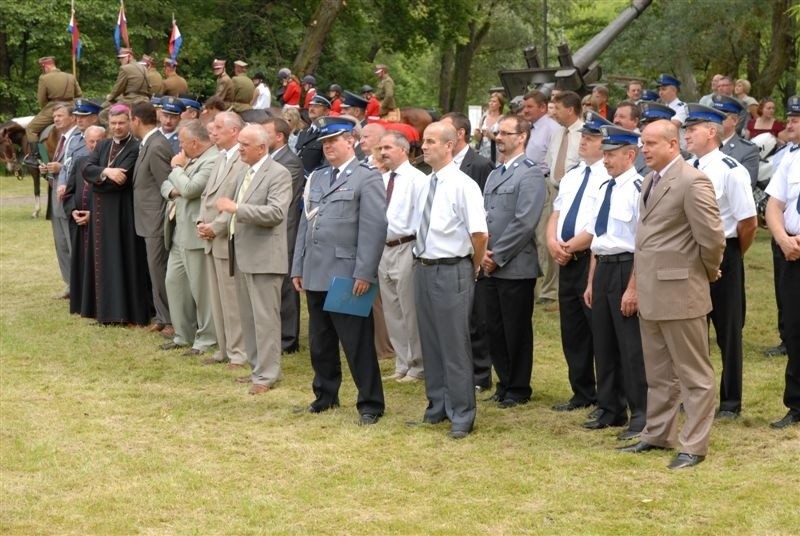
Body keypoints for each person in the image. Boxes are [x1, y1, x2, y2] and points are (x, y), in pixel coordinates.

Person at [619, 120, 725, 470]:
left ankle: (693, 445)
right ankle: (658, 433)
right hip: (652, 291)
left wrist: (706, 272)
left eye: (651, 143)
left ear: (672, 144)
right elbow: (646, 239)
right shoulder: (650, 180)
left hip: (681, 291)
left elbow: (712, 238)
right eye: (642, 142)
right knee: (659, 373)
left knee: (694, 374)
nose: (644, 149)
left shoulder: (693, 182)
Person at [291, 116, 388, 424]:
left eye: (333, 141)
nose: (328, 147)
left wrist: (364, 273)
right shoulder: (317, 177)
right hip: (315, 270)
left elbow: (374, 229)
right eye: (324, 143)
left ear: (351, 141)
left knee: (356, 343)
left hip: (347, 273)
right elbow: (305, 225)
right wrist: (298, 266)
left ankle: (371, 403)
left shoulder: (366, 177)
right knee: (320, 341)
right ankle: (325, 394)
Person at [406, 121, 488, 439]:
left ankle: (462, 412)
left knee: (454, 344)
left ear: (449, 146)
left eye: (431, 141)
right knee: (431, 342)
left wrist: (474, 266)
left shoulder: (463, 185)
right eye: (423, 141)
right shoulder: (428, 183)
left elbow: (479, 234)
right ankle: (437, 406)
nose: (424, 146)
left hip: (452, 268)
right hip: (423, 267)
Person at [684, 103, 757, 420]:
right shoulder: (687, 167)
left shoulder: (730, 169)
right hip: (689, 253)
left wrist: (731, 255)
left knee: (727, 330)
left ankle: (730, 401)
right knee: (690, 328)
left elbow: (748, 222)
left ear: (711, 132)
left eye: (692, 129)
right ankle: (694, 396)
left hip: (724, 252)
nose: (686, 135)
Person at [582, 125, 647, 441]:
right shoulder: (603, 188)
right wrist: (592, 281)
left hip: (627, 267)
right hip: (604, 268)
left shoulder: (638, 188)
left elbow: (642, 243)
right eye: (604, 153)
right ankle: (610, 409)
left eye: (611, 154)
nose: (605, 159)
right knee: (604, 343)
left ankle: (642, 414)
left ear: (630, 154)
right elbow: (598, 238)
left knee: (631, 347)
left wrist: (633, 287)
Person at [216, 124, 292, 394]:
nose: (239, 149)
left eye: (245, 144)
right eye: (239, 143)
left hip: (265, 257)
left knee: (265, 318)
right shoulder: (244, 173)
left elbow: (275, 214)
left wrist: (236, 208)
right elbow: (232, 214)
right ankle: (258, 368)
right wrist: (214, 228)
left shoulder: (279, 174)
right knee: (248, 318)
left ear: (262, 147)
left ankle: (268, 374)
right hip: (243, 254)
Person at [547, 112, 611, 415]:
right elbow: (557, 212)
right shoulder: (573, 175)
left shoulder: (608, 176)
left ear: (604, 143)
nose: (582, 143)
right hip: (565, 259)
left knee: (597, 328)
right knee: (571, 329)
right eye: (582, 137)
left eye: (590, 138)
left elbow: (601, 223)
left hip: (590, 258)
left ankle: (607, 393)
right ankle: (581, 390)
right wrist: (552, 242)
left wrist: (572, 246)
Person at [479, 114, 546, 408]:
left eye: (506, 133)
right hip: (488, 262)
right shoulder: (495, 173)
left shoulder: (529, 173)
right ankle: (504, 382)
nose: (499, 137)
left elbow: (524, 221)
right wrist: (482, 253)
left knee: (515, 329)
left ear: (522, 137)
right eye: (497, 132)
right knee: (493, 327)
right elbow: (485, 216)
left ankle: (519, 387)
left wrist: (498, 256)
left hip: (515, 265)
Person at [80, 105, 152, 325]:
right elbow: (86, 168)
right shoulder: (102, 145)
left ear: (129, 121)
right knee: (101, 260)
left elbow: (122, 182)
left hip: (122, 213)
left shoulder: (135, 147)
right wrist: (106, 172)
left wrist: (96, 178)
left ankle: (123, 312)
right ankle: (103, 311)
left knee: (123, 258)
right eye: (113, 124)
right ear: (108, 125)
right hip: (100, 212)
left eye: (121, 123)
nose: (117, 127)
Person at [440, 112, 494, 392]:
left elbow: (484, 212)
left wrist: (482, 252)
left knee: (476, 317)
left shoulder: (480, 165)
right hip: (448, 250)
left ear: (459, 134)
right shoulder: (437, 172)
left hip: (474, 249)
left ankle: (481, 374)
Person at [160, 119, 219, 355]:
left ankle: (206, 339)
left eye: (183, 143)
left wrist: (176, 170)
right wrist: (177, 185)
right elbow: (167, 187)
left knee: (201, 291)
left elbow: (192, 189)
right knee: (174, 284)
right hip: (179, 232)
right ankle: (182, 335)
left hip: (196, 235)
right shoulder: (192, 159)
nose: (180, 148)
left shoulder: (213, 159)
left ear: (194, 143)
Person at [197, 112, 248, 368]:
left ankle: (239, 352)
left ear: (234, 131)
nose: (212, 132)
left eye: (218, 127)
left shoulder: (241, 158)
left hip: (225, 237)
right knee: (216, 298)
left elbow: (236, 199)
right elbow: (207, 195)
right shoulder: (220, 156)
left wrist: (214, 227)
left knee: (231, 300)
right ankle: (224, 348)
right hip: (209, 235)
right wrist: (199, 221)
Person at [377, 131, 427, 383]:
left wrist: (419, 251)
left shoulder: (418, 180)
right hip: (382, 249)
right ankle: (402, 362)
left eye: (387, 147)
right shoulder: (381, 179)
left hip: (406, 247)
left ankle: (418, 365)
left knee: (409, 309)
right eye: (380, 148)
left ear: (403, 150)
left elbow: (422, 218)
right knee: (392, 310)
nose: (382, 152)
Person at [764, 95, 800, 429]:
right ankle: (797, 404)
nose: (791, 124)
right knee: (793, 326)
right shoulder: (790, 159)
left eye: (797, 119)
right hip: (792, 252)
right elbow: (773, 204)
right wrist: (783, 239)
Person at [129, 102, 175, 337]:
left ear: (136, 120)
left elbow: (166, 185)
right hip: (147, 219)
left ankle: (171, 320)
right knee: (154, 270)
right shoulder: (148, 143)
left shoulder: (156, 145)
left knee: (159, 270)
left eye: (129, 119)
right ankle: (161, 316)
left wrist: (162, 221)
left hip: (156, 220)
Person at [262, 117, 305, 354]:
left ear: (279, 136)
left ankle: (288, 339)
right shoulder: (270, 159)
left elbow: (284, 204)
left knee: (287, 286)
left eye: (266, 133)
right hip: (270, 229)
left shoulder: (291, 162)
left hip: (284, 230)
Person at [541, 91, 585, 305]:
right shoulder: (558, 133)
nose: (554, 113)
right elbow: (551, 159)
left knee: (568, 237)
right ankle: (552, 288)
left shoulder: (585, 133)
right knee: (549, 237)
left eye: (557, 108)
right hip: (554, 189)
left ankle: (567, 285)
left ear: (570, 109)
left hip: (575, 193)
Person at [65, 123, 105, 315]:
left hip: (101, 225)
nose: (95, 145)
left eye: (99, 141)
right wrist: (73, 210)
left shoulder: (109, 163)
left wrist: (94, 215)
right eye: (91, 141)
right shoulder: (80, 161)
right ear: (86, 142)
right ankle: (83, 302)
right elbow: (69, 192)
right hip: (80, 224)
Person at [42, 105, 79, 300]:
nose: (56, 119)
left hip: (69, 196)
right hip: (56, 194)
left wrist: (60, 166)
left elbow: (80, 162)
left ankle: (79, 286)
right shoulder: (61, 139)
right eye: (54, 116)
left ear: (73, 118)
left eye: (60, 116)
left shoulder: (77, 137)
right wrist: (48, 169)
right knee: (61, 244)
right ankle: (70, 285)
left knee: (72, 242)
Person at [24, 57, 81, 162]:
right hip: (72, 108)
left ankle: (34, 157)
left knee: (31, 129)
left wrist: (45, 110)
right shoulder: (70, 76)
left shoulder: (44, 78)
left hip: (53, 108)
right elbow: (79, 94)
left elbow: (42, 99)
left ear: (45, 66)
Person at [712, 95, 760, 188]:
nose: (715, 119)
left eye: (720, 116)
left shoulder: (747, 150)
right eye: (714, 115)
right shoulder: (702, 144)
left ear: (734, 120)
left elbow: (745, 187)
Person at [296, 94, 331, 174]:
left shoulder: (327, 134)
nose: (311, 109)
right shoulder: (303, 132)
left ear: (326, 111)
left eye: (316, 106)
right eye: (310, 106)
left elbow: (326, 164)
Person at [613, 100, 649, 175]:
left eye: (621, 117)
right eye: (615, 116)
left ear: (635, 121)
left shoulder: (645, 149)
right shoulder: (611, 143)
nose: (616, 120)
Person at [474, 92, 505, 164]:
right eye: (490, 101)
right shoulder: (484, 117)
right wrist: (477, 135)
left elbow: (506, 139)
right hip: (483, 153)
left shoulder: (503, 119)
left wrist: (492, 137)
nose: (491, 103)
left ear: (500, 104)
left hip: (497, 154)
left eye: (494, 101)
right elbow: (479, 139)